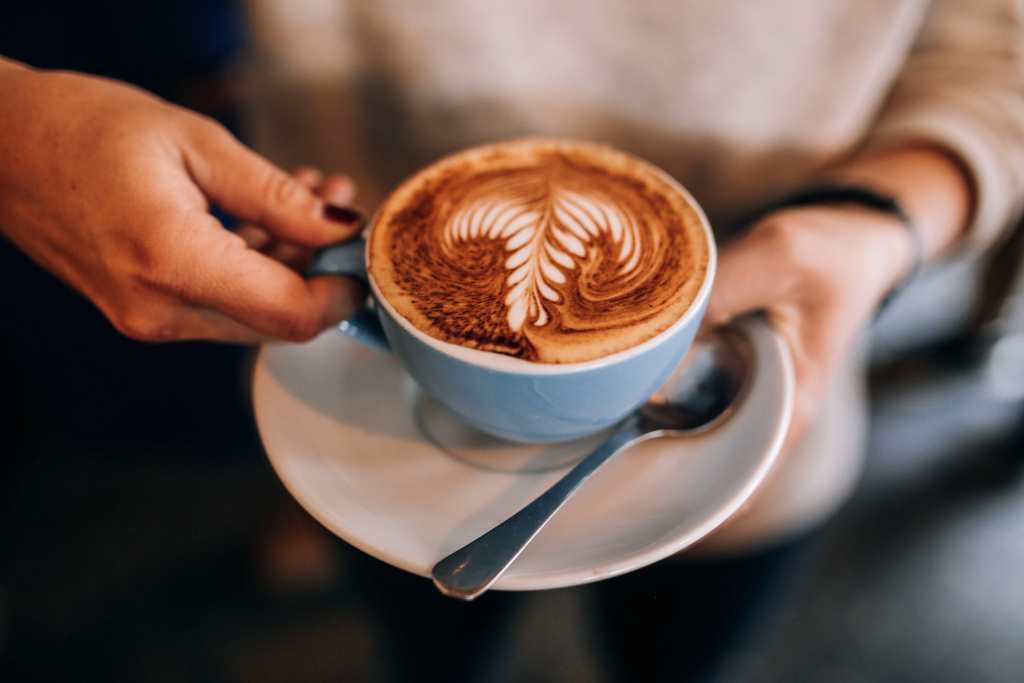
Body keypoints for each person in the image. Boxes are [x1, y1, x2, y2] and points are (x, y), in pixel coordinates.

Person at [2, 0, 1023, 679]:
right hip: (352, 311)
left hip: (767, 377)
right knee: (428, 645)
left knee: (679, 654)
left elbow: (995, 46)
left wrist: (872, 222)